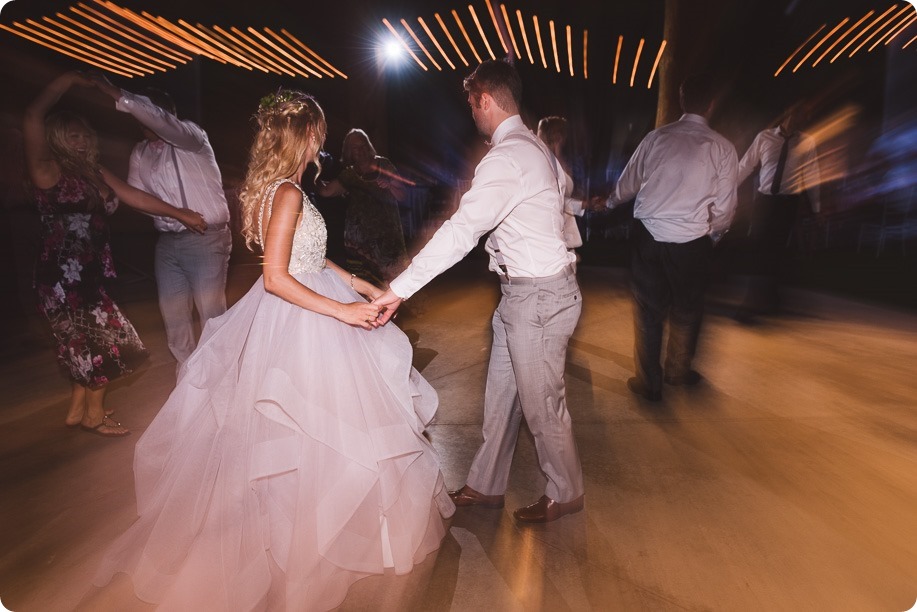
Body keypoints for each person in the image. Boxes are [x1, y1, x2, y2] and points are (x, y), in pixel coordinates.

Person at [93, 90, 454, 610]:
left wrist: (362, 285)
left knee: (316, 428)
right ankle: (306, 540)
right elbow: (279, 277)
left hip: (310, 303)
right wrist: (345, 312)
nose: (322, 138)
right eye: (320, 130)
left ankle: (316, 529)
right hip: (303, 316)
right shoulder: (286, 194)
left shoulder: (282, 190)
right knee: (313, 428)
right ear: (308, 135)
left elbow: (312, 256)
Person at [374, 60, 585, 524]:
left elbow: (462, 230)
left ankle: (566, 491)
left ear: (485, 100)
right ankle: (486, 487)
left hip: (538, 298)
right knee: (501, 401)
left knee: (542, 406)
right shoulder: (533, 147)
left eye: (471, 105)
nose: (471, 114)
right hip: (520, 295)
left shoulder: (509, 156)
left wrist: (401, 288)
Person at [23, 72, 206, 436]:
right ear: (56, 137)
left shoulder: (94, 172)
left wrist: (180, 213)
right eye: (72, 135)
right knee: (107, 342)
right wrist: (63, 82)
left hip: (94, 276)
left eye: (84, 135)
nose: (80, 141)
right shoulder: (47, 170)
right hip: (62, 280)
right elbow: (32, 118)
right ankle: (94, 414)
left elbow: (135, 197)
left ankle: (78, 410)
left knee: (82, 343)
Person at [591, 74, 738, 402]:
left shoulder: (656, 138)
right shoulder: (723, 148)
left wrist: (611, 201)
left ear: (681, 100)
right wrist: (714, 235)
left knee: (648, 310)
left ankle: (650, 383)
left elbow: (629, 182)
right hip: (692, 241)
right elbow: (726, 207)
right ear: (711, 105)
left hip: (649, 237)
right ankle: (677, 371)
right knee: (687, 310)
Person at [90, 75, 232, 369]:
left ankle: (220, 380)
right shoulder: (140, 152)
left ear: (166, 115)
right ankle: (187, 385)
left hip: (206, 239)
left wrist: (113, 91)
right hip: (167, 244)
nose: (142, 122)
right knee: (175, 321)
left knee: (211, 316)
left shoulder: (191, 138)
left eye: (147, 114)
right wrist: (105, 190)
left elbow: (160, 120)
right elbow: (137, 197)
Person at [736, 107, 821, 318]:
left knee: (775, 250)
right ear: (786, 114)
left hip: (787, 203)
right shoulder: (764, 137)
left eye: (802, 115)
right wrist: (728, 186)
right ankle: (757, 299)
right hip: (764, 201)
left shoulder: (806, 142)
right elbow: (746, 164)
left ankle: (765, 299)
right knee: (757, 247)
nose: (797, 118)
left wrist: (816, 207)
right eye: (794, 113)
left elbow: (812, 175)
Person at [319, 129, 409, 284]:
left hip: (387, 238)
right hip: (359, 244)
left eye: (362, 145)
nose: (359, 150)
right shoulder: (349, 174)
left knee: (396, 281)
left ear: (368, 146)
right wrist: (311, 175)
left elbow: (403, 195)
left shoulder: (383, 165)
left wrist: (390, 184)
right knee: (365, 285)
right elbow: (327, 192)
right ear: (348, 151)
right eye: (354, 147)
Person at [537, 116, 585, 252]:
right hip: (552, 237)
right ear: (559, 137)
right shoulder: (547, 164)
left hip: (556, 236)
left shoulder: (555, 163)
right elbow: (562, 196)